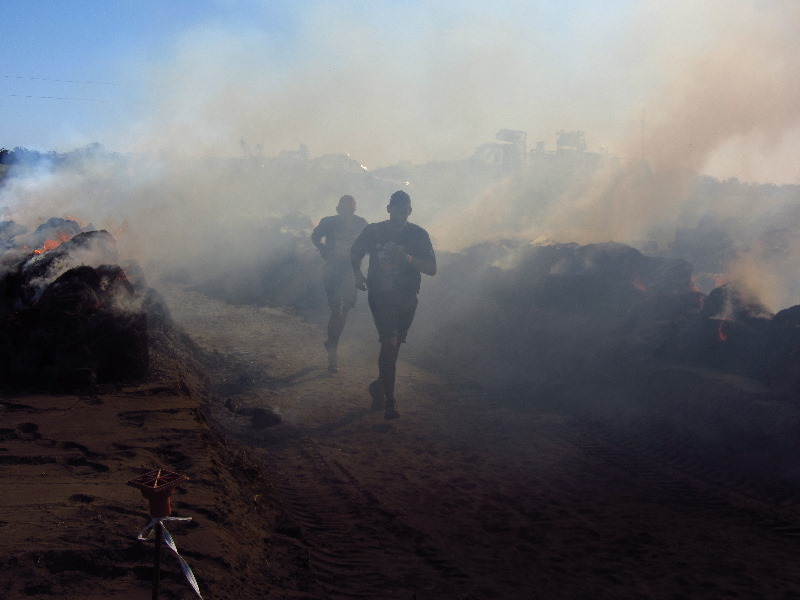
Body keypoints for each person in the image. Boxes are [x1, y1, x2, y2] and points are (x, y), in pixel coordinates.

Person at [350, 190, 436, 419]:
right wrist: (357, 274)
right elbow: (355, 251)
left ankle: (379, 386)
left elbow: (431, 268)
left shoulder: (418, 234)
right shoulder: (374, 231)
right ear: (388, 209)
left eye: (404, 208)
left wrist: (408, 259)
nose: (400, 212)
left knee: (394, 347)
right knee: (389, 344)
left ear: (410, 211)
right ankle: (390, 401)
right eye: (396, 208)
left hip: (407, 297)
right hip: (380, 296)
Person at [311, 195, 368, 373]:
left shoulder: (361, 224)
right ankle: (333, 353)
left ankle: (332, 342)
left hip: (350, 273)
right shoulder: (328, 222)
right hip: (333, 273)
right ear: (337, 209)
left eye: (351, 208)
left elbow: (366, 246)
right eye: (344, 209)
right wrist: (322, 248)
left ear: (355, 209)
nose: (348, 212)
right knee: (338, 309)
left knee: (343, 314)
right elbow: (315, 237)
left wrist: (359, 273)